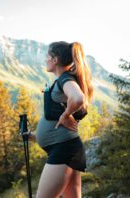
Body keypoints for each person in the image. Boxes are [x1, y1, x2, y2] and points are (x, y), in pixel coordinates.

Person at [29, 41, 93, 198]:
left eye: (47, 56)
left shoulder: (66, 79)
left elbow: (78, 98)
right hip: (67, 148)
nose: (45, 60)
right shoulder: (64, 80)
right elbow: (57, 123)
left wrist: (65, 115)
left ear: (55, 59)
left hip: (63, 150)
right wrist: (35, 136)